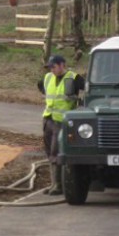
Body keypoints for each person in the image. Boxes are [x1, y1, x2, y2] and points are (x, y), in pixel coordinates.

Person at [37, 54, 85, 195]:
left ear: (62, 64)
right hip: (48, 119)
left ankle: (59, 185)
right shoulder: (47, 78)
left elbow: (88, 90)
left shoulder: (74, 78)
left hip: (62, 121)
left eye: (54, 66)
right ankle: (54, 184)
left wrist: (78, 99)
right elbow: (41, 87)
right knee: (49, 153)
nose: (52, 69)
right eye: (50, 67)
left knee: (56, 151)